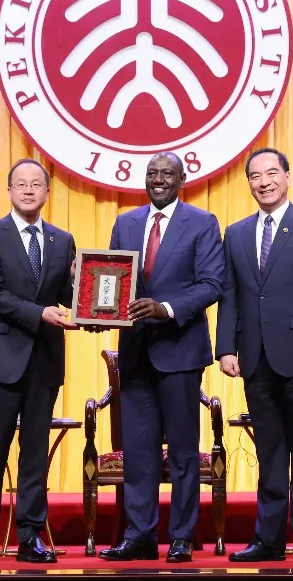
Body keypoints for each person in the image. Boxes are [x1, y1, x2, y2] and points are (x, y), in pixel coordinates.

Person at [215, 148, 293, 564]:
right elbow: (230, 294)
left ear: (287, 177)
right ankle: (268, 539)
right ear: (249, 184)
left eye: (272, 173)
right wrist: (226, 347)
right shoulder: (235, 233)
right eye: (255, 176)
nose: (264, 182)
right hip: (255, 358)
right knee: (269, 452)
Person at [96, 152, 224, 563]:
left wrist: (165, 308)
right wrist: (100, 313)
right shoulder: (126, 223)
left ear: (182, 179)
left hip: (180, 351)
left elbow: (212, 284)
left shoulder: (202, 223)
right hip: (135, 353)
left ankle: (182, 536)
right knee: (138, 452)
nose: (158, 179)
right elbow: (113, 280)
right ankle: (140, 535)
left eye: (167, 173)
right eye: (152, 173)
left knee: (183, 451)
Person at [0, 158, 77, 565]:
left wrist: (88, 292)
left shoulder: (63, 240)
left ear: (47, 192)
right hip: (0, 360)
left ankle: (31, 536)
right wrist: (40, 314)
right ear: (9, 191)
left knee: (34, 453)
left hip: (44, 360)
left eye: (36, 184)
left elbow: (69, 293)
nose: (29, 190)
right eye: (21, 184)